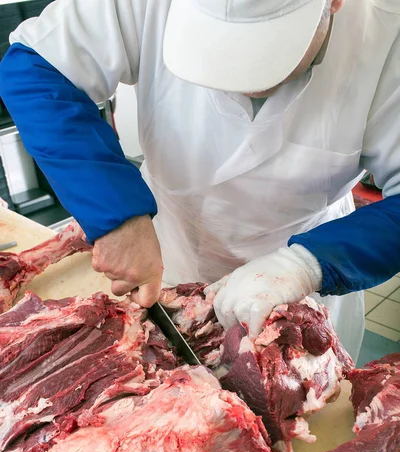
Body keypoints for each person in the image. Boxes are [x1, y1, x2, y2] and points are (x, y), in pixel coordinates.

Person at [0, 0, 399, 361]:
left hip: (307, 274)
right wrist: (116, 214)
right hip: (167, 253)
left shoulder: (386, 33)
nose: (243, 79)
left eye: (266, 52)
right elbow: (38, 68)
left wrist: (307, 265)